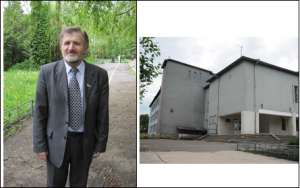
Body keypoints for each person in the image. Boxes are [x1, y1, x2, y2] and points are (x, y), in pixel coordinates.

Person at [33, 26, 109, 187]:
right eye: (66, 43)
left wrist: (100, 142)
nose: (71, 48)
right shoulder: (47, 72)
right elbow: (40, 111)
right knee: (54, 184)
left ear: (86, 48)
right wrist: (40, 144)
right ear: (61, 46)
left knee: (79, 184)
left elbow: (102, 113)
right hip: (55, 143)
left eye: (77, 43)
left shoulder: (100, 75)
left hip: (84, 142)